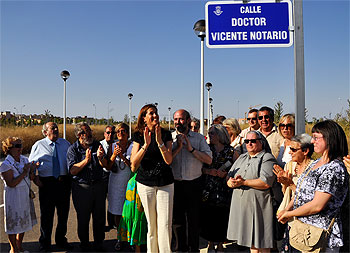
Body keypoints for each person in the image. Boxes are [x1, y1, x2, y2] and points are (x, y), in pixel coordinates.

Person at [278, 120, 349, 251]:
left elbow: (317, 205)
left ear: (329, 139)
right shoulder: (314, 163)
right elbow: (301, 192)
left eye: (316, 137)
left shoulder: (334, 169)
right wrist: (287, 210)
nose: (312, 141)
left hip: (321, 237)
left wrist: (290, 213)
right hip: (303, 233)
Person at [130, 104, 174, 253]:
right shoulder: (138, 135)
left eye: (156, 113)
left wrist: (159, 141)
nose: (155, 115)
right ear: (144, 117)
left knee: (165, 224)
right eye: (151, 113)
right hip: (145, 184)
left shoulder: (166, 134)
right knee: (152, 224)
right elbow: (133, 165)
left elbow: (169, 160)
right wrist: (146, 144)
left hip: (165, 183)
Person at [227, 130, 276, 252]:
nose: (249, 143)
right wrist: (230, 182)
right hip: (241, 206)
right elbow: (229, 176)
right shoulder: (242, 157)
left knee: (262, 242)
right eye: (247, 141)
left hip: (259, 205)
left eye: (253, 141)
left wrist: (243, 182)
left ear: (261, 143)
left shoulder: (267, 157)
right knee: (251, 243)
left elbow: (265, 182)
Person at [171, 109, 212, 252]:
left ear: (188, 120)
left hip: (194, 184)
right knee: (177, 220)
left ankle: (194, 248)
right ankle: (181, 247)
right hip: (176, 184)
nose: (178, 122)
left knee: (193, 220)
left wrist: (191, 149)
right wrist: (176, 146)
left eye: (181, 119)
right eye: (175, 119)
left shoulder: (199, 139)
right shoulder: (170, 138)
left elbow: (209, 159)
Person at [28, 122, 72, 251]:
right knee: (47, 215)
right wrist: (35, 179)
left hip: (63, 183)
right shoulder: (39, 145)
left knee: (63, 215)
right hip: (47, 184)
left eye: (57, 128)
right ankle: (45, 242)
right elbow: (31, 164)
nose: (56, 130)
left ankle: (61, 240)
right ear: (45, 132)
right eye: (53, 128)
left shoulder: (65, 143)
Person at [66, 122, 109, 252]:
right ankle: (84, 244)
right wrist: (86, 160)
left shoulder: (97, 145)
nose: (90, 134)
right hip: (82, 188)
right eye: (87, 131)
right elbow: (72, 170)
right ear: (80, 135)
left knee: (99, 218)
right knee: (83, 218)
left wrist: (101, 158)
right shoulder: (73, 149)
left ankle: (98, 243)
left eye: (90, 131)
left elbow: (106, 165)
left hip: (98, 186)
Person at [273, 133, 314, 252]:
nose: (289, 152)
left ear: (305, 151)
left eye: (293, 149)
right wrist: (285, 183)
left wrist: (290, 183)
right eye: (289, 148)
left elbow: (308, 196)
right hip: (291, 220)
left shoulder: (313, 169)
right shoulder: (290, 166)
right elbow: (287, 193)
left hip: (306, 220)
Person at [201, 124, 236, 252]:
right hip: (208, 187)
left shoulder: (231, 151)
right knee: (209, 216)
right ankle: (210, 243)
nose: (209, 136)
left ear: (220, 135)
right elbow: (200, 168)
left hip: (224, 189)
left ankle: (220, 244)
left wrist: (226, 174)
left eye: (212, 133)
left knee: (222, 217)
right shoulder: (207, 149)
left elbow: (237, 169)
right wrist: (208, 172)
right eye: (209, 133)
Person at [1, 137, 38, 253]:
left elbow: (31, 178)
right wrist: (25, 172)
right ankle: (13, 249)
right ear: (9, 148)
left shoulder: (24, 160)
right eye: (17, 146)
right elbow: (11, 183)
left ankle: (19, 246)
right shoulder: (6, 164)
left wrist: (32, 170)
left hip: (24, 195)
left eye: (20, 146)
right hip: (13, 197)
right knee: (13, 224)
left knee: (23, 222)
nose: (20, 149)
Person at [106, 123, 132, 251]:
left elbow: (134, 166)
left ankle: (132, 239)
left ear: (127, 133)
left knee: (130, 212)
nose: (120, 134)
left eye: (122, 131)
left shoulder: (133, 145)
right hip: (115, 182)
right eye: (117, 132)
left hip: (129, 181)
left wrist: (122, 156)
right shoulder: (112, 146)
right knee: (117, 211)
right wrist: (114, 155)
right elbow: (108, 166)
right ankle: (120, 238)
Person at [117, 171, 147, 253]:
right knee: (135, 214)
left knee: (141, 215)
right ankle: (136, 245)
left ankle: (139, 244)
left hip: (147, 181)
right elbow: (133, 167)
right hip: (135, 182)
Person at [99, 125, 116, 232]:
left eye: (112, 133)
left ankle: (113, 222)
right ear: (104, 134)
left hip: (115, 175)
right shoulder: (99, 144)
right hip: (102, 176)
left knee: (113, 200)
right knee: (101, 201)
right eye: (108, 133)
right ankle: (101, 224)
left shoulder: (118, 144)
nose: (110, 135)